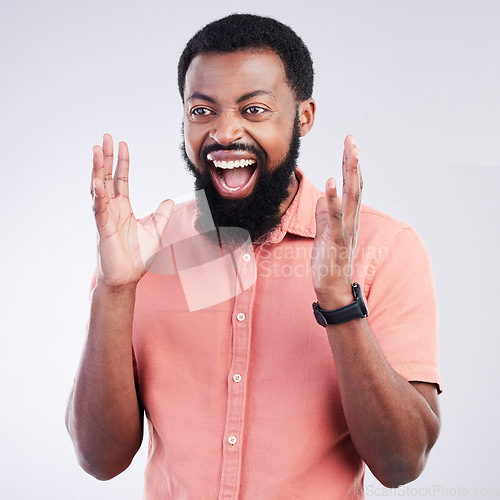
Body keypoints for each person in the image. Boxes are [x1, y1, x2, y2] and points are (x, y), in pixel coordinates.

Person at [66, 14, 442, 499]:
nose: (226, 134)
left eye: (254, 110)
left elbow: (403, 462)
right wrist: (114, 291)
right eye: (203, 111)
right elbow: (99, 460)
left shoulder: (384, 248)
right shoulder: (143, 251)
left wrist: (338, 302)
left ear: (303, 116)